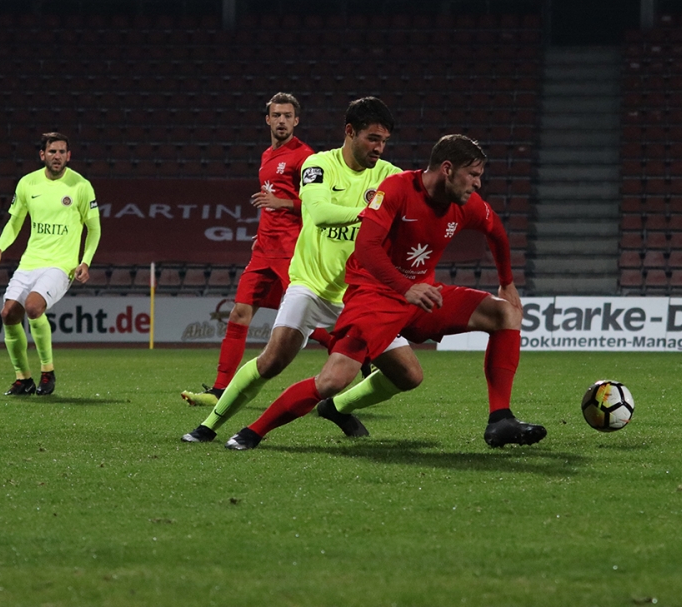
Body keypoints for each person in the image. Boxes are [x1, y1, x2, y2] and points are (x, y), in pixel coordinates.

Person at [223, 134, 546, 450]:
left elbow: (496, 231)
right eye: (473, 174)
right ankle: (253, 432)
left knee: (504, 312)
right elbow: (366, 247)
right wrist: (405, 287)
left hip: (420, 295)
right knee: (334, 380)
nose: (478, 183)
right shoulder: (397, 189)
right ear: (447, 169)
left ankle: (500, 420)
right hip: (374, 296)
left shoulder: (466, 204)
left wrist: (507, 283)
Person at [181, 96, 414, 443]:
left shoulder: (390, 175)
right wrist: (371, 214)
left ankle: (337, 407)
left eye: (384, 141)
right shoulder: (318, 164)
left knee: (408, 374)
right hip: (312, 286)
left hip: (362, 295)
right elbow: (317, 212)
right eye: (372, 139)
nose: (379, 148)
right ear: (350, 132)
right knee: (272, 361)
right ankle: (208, 426)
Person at [180, 92, 329, 405]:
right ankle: (220, 390)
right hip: (264, 249)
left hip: (291, 250)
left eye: (287, 116)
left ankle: (359, 351)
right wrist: (261, 234)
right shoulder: (265, 155)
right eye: (276, 115)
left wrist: (282, 203)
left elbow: (318, 205)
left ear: (296, 120)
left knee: (305, 319)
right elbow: (270, 206)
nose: (281, 121)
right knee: (240, 312)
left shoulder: (306, 157)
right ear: (268, 119)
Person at [0, 132, 101, 396]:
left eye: (62, 152)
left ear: (69, 155)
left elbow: (94, 229)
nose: (58, 156)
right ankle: (23, 379)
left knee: (33, 307)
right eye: (52, 151)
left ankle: (47, 372)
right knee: (8, 314)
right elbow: (15, 222)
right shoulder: (27, 183)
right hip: (30, 261)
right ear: (42, 155)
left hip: (61, 265)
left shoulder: (80, 186)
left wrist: (85, 261)